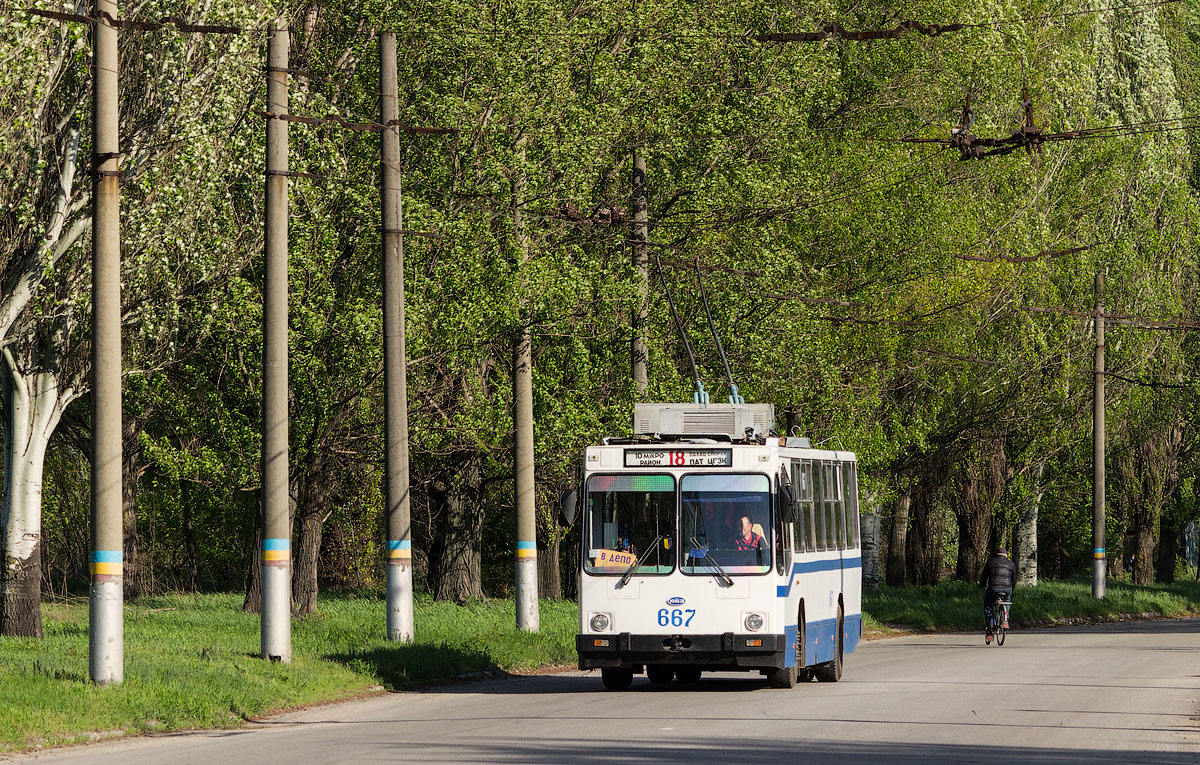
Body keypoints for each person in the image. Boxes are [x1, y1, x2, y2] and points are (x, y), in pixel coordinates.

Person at [979, 547, 1016, 639]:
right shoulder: (1011, 563)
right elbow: (1014, 578)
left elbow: (984, 575)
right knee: (1006, 601)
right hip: (1007, 588)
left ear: (997, 554)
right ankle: (1005, 619)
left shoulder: (991, 561)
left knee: (988, 605)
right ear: (1005, 554)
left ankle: (989, 627)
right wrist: (1012, 588)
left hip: (993, 588)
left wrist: (982, 586)